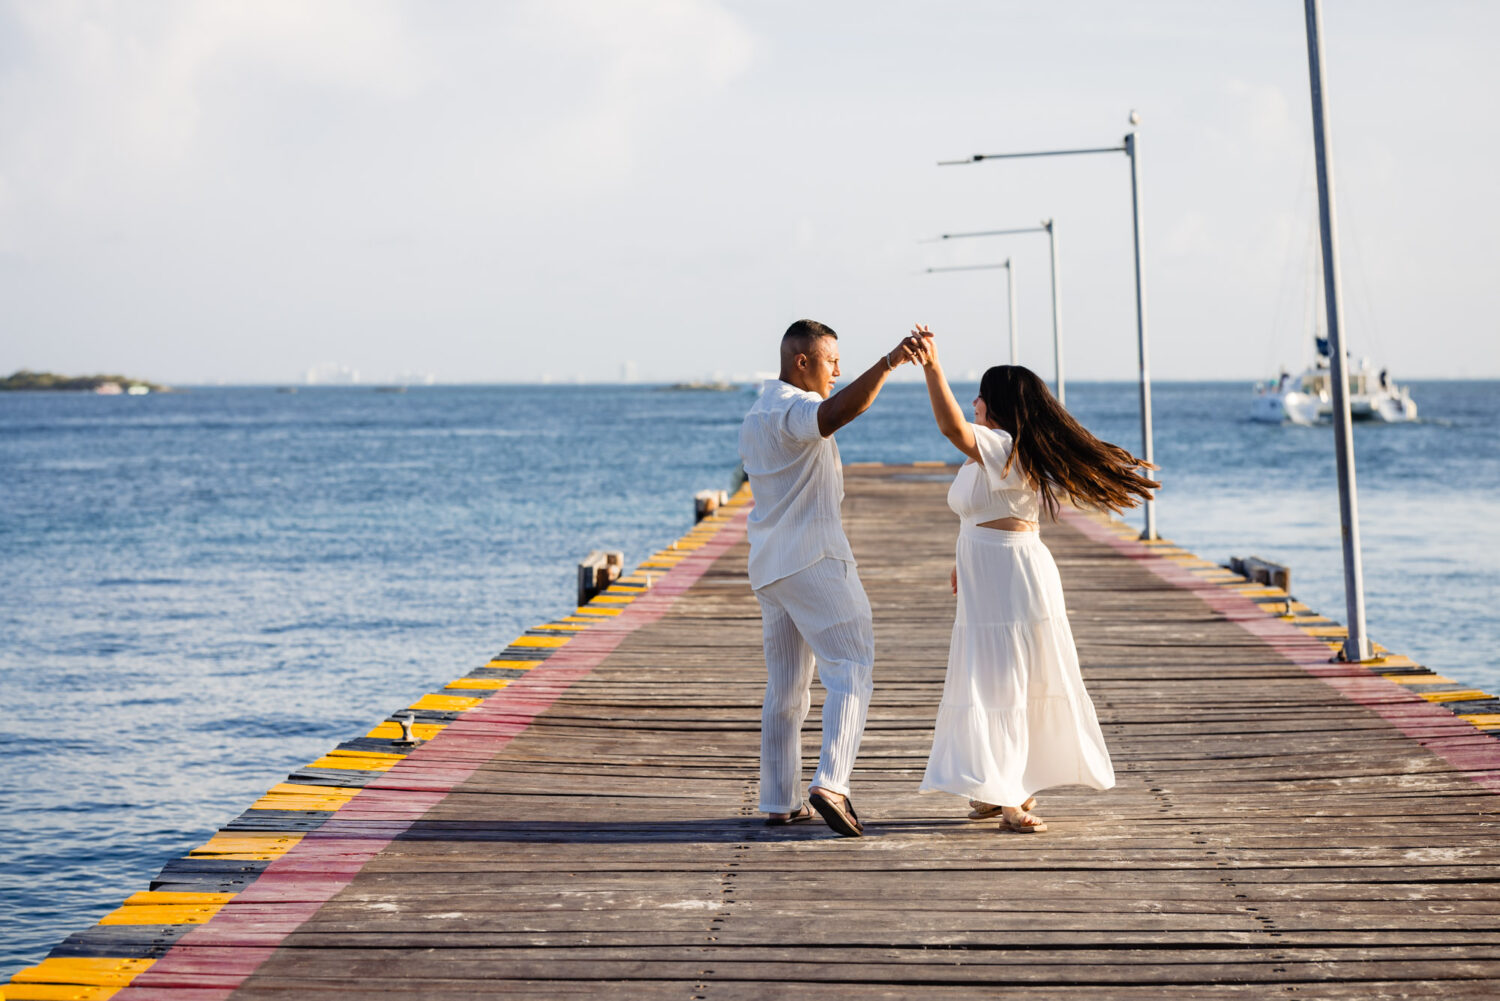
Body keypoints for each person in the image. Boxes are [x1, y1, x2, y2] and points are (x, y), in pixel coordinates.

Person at [907, 326, 1157, 834]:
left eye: (980, 393)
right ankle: (990, 786)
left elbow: (952, 428)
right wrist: (963, 560)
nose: (974, 401)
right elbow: (985, 512)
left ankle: (1014, 797)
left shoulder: (1001, 443)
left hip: (1014, 578)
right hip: (990, 575)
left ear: (997, 404)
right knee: (988, 681)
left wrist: (933, 367)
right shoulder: (993, 452)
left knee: (1012, 682)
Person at [737, 319, 920, 837]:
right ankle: (831, 782)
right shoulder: (792, 409)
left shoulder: (756, 414)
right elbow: (838, 412)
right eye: (830, 359)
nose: (837, 369)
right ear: (802, 362)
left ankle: (778, 799)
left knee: (787, 688)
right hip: (813, 559)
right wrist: (888, 363)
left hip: (771, 567)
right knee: (852, 664)